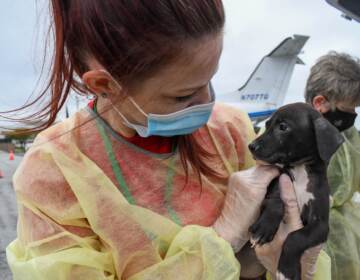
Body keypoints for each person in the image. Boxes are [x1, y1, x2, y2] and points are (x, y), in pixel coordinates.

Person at [5, 1, 329, 279]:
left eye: (210, 81)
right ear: (105, 85)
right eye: (183, 96)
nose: (207, 103)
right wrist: (225, 234)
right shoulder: (54, 171)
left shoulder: (230, 129)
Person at [305, 51, 360, 280]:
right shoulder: (290, 139)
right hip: (307, 249)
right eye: (348, 111)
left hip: (348, 241)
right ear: (320, 103)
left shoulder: (349, 137)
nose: (353, 117)